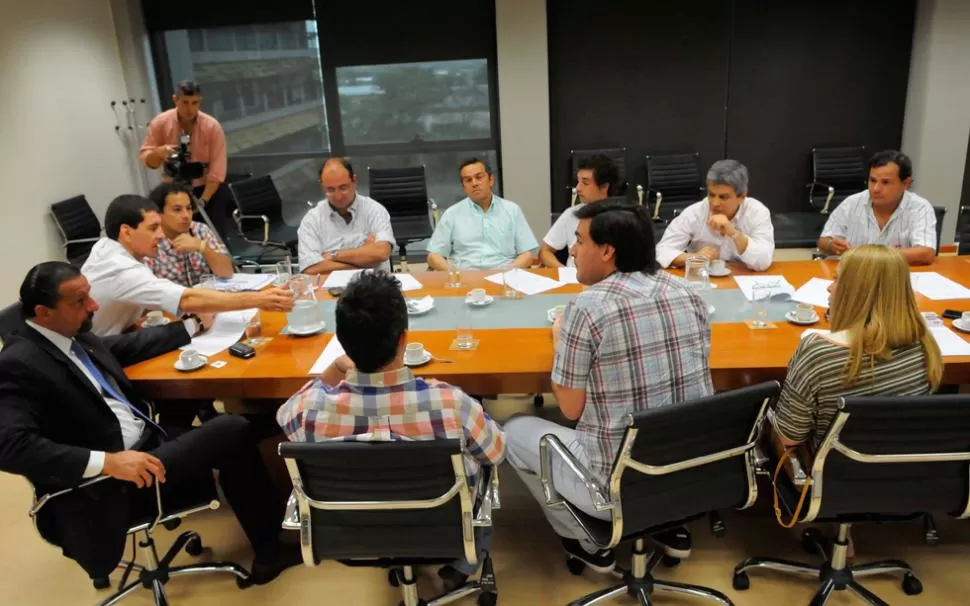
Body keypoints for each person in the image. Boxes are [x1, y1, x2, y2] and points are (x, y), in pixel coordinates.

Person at [0, 262, 301, 586]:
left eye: (89, 295)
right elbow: (9, 447)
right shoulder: (19, 364)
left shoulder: (71, 336)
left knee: (228, 438)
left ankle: (269, 549)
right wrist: (107, 463)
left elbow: (128, 347)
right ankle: (268, 432)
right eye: (80, 301)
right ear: (43, 313)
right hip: (114, 482)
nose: (94, 306)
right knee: (229, 429)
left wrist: (192, 325)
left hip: (144, 442)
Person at [503, 202, 713, 572]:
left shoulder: (586, 308)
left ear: (607, 251)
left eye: (579, 241)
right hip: (688, 473)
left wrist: (560, 337)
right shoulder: (691, 294)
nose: (571, 251)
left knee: (514, 430)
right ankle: (667, 523)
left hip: (616, 482)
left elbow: (570, 409)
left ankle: (586, 541)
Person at [276, 271, 505, 590]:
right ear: (403, 338)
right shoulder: (450, 403)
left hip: (350, 534)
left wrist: (336, 367)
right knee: (479, 466)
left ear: (342, 341)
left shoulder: (308, 412)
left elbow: (284, 411)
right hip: (442, 528)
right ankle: (464, 562)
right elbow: (496, 452)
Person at [773, 244, 942, 447]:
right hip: (909, 469)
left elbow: (788, 438)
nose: (829, 287)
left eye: (836, 279)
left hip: (831, 474)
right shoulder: (924, 343)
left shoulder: (818, 353)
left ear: (856, 292)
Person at [82, 194, 293, 337]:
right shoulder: (121, 269)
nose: (160, 235)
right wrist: (260, 299)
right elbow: (187, 299)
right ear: (126, 232)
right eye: (153, 228)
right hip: (102, 353)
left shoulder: (106, 248)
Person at [817, 150, 936, 266]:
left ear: (906, 183)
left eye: (885, 182)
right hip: (855, 276)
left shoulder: (920, 208)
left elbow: (926, 253)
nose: (876, 189)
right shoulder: (852, 203)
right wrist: (832, 245)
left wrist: (871, 256)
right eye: (872, 181)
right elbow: (823, 242)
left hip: (896, 279)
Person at [655, 159, 774, 271]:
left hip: (743, 280)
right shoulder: (695, 213)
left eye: (723, 197)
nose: (715, 203)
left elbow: (763, 261)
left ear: (742, 197)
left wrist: (732, 233)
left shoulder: (757, 212)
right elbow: (662, 251)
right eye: (711, 195)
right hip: (703, 279)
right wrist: (696, 258)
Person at [427, 158, 538, 270]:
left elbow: (527, 255)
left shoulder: (512, 210)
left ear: (491, 180)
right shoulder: (452, 214)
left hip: (504, 276)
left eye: (479, 177)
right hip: (465, 278)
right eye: (468, 180)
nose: (474, 183)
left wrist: (507, 272)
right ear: (464, 187)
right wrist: (456, 275)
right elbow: (433, 256)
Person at [139, 80, 229, 212]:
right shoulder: (160, 123)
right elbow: (148, 162)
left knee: (211, 231)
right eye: (185, 102)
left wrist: (203, 201)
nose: (190, 109)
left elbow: (217, 170)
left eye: (195, 103)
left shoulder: (212, 126)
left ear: (200, 101)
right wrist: (159, 152)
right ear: (175, 100)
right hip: (173, 191)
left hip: (207, 190)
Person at [298, 158, 396, 274]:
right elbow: (310, 268)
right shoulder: (312, 219)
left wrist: (335, 255)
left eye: (343, 188)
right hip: (331, 288)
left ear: (354, 181)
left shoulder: (374, 210)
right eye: (330, 190)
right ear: (322, 186)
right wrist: (365, 259)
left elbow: (382, 252)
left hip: (374, 286)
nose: (338, 196)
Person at [145, 181, 234, 285]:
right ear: (159, 213)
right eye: (177, 210)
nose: (186, 215)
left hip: (207, 297)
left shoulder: (199, 230)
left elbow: (227, 272)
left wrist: (203, 247)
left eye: (188, 208)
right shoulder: (150, 240)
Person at [539, 154, 617, 268]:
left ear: (604, 186)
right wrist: (564, 271)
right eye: (578, 182)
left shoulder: (622, 219)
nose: (578, 188)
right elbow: (545, 251)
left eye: (585, 183)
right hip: (574, 279)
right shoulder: (571, 214)